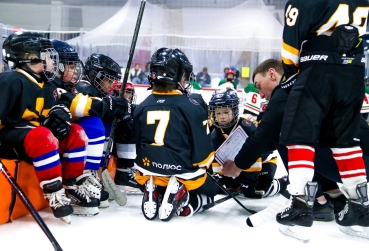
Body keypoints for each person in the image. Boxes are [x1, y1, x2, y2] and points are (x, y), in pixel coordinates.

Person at [222, 59, 369, 240]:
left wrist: (237, 165)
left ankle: (313, 201)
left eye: (259, 86)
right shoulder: (308, 84)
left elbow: (262, 137)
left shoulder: (285, 93)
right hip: (358, 159)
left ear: (272, 74)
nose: (260, 94)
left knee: (286, 135)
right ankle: (336, 199)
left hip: (355, 162)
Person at [277, 0, 369, 239]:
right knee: (345, 140)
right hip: (355, 71)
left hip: (317, 70)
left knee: (299, 137)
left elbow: (290, 42)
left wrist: (291, 74)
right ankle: (360, 206)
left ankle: (300, 204)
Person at [0, 31, 101, 223]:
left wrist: (58, 115)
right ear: (29, 58)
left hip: (34, 137)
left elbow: (48, 115)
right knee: (42, 136)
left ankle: (71, 184)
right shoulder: (9, 81)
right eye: (47, 56)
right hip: (8, 138)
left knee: (76, 133)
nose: (53, 62)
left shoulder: (46, 84)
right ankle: (54, 192)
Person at [134, 47, 219, 221]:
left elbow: (138, 147)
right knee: (212, 191)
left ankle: (157, 189)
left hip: (146, 171)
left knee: (154, 170)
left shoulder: (140, 107)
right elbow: (202, 158)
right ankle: (188, 200)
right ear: (177, 76)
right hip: (182, 174)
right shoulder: (192, 107)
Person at [51, 40, 129, 208]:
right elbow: (79, 105)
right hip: (55, 139)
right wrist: (107, 106)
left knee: (107, 121)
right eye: (69, 67)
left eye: (74, 66)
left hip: (63, 139)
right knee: (94, 123)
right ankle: (84, 175)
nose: (111, 85)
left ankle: (92, 172)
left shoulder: (67, 85)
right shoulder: (81, 86)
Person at [208, 88, 287, 199]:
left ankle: (282, 183)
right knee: (226, 187)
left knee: (255, 191)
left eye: (226, 112)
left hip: (263, 162)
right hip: (237, 167)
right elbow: (217, 158)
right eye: (218, 113)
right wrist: (221, 177)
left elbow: (254, 154)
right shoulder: (214, 133)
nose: (222, 116)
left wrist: (248, 179)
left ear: (234, 110)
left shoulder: (247, 127)